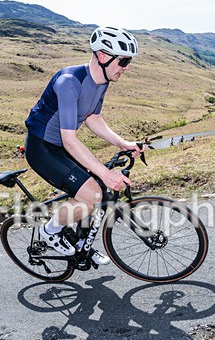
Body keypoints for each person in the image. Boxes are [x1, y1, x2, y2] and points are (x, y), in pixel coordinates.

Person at [23, 26, 141, 265]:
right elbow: (69, 139)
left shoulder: (102, 81)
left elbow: (92, 117)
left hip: (62, 147)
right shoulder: (69, 82)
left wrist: (122, 143)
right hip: (42, 148)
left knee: (97, 191)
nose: (126, 68)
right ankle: (50, 231)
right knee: (93, 193)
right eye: (124, 61)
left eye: (128, 62)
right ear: (103, 56)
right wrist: (106, 173)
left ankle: (80, 245)